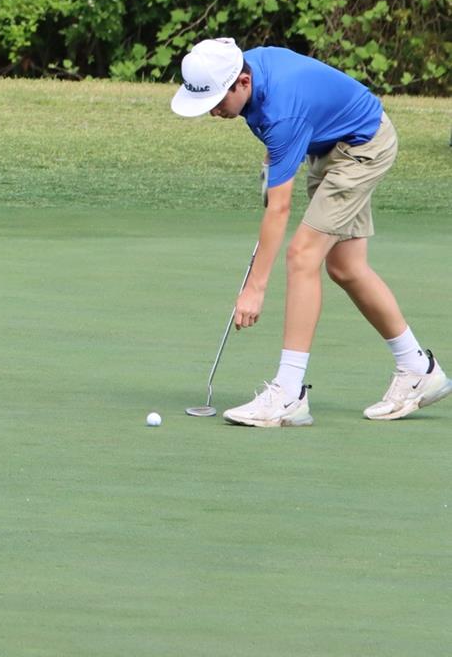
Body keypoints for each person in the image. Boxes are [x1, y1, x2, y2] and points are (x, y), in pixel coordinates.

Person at [171, 37, 445, 426]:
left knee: (302, 256)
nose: (213, 111)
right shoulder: (249, 75)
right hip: (329, 144)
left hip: (361, 147)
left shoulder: (281, 111)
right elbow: (282, 133)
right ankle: (418, 368)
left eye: (217, 100)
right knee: (346, 268)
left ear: (242, 82)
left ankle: (288, 393)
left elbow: (279, 209)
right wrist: (273, 158)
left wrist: (254, 288)